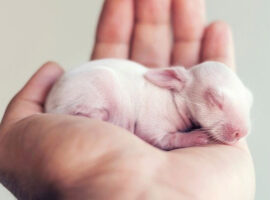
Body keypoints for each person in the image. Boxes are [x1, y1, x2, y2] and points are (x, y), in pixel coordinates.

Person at [0, 0, 255, 199]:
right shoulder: (165, 99)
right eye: (215, 101)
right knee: (104, 82)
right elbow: (156, 134)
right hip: (83, 91)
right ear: (174, 80)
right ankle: (87, 115)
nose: (240, 132)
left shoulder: (180, 103)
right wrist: (181, 139)